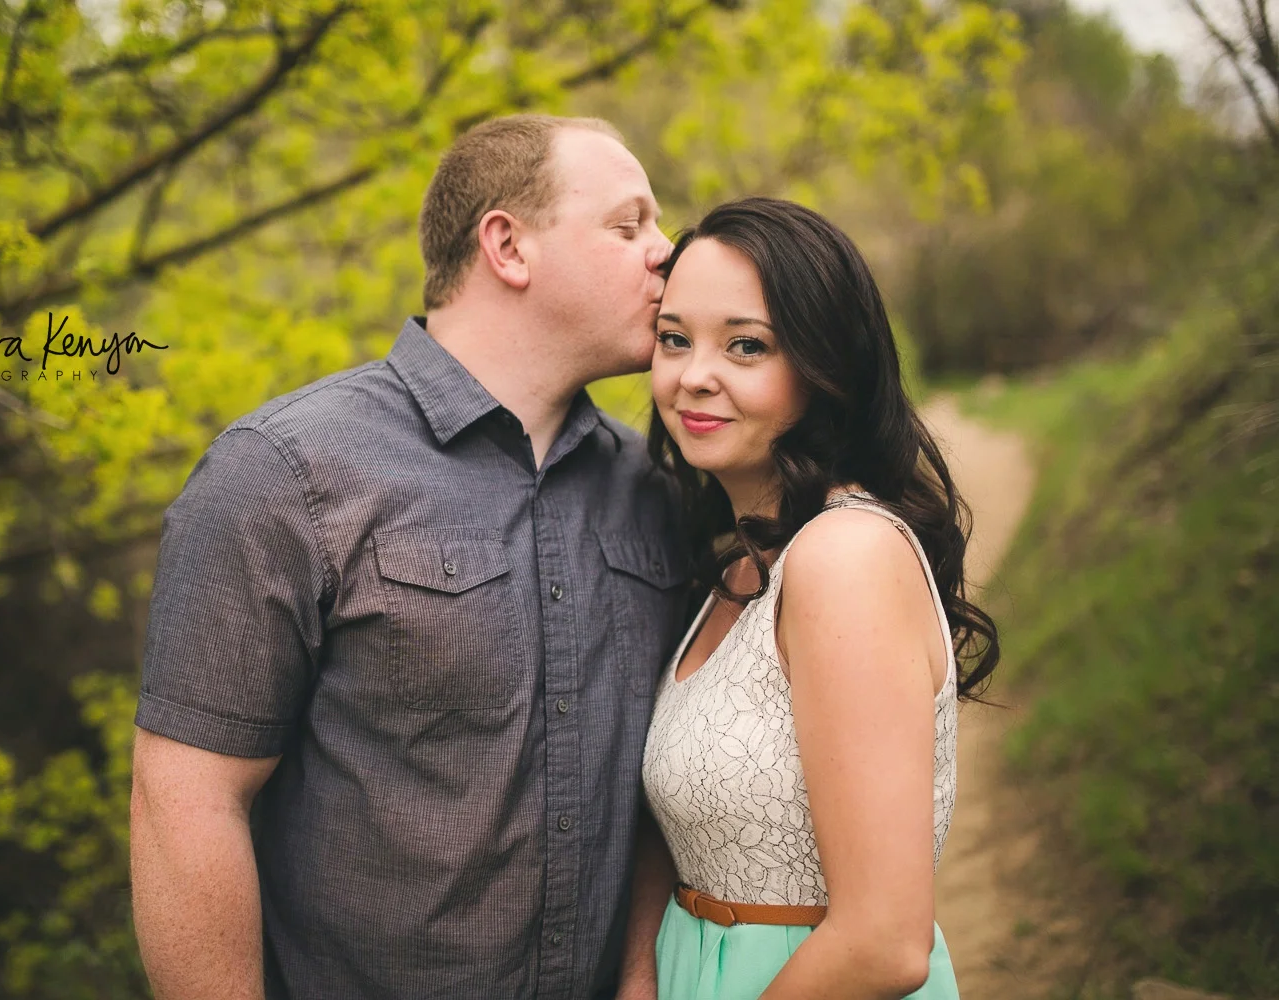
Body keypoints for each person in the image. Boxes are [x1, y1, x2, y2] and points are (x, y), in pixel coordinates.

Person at [128, 114, 689, 1000]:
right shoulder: (283, 475)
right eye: (630, 226)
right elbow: (186, 805)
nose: (667, 252)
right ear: (507, 245)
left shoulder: (657, 490)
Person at [633, 197, 1001, 999]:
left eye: (747, 345)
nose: (695, 375)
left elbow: (884, 943)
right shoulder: (741, 566)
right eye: (673, 338)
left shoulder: (845, 555)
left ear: (824, 365)